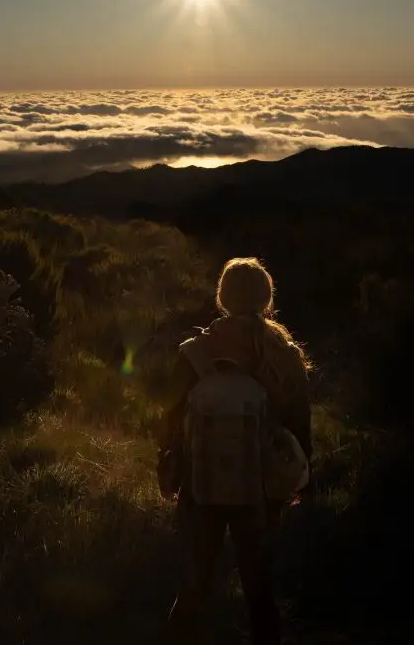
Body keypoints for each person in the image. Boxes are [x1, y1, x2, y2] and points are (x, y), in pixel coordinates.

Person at [156, 257, 313, 645]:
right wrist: (298, 480)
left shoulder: (195, 351)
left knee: (194, 586)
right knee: (260, 590)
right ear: (266, 297)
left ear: (222, 296)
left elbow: (167, 418)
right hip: (259, 486)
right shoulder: (283, 353)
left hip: (200, 481)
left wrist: (170, 462)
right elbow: (299, 427)